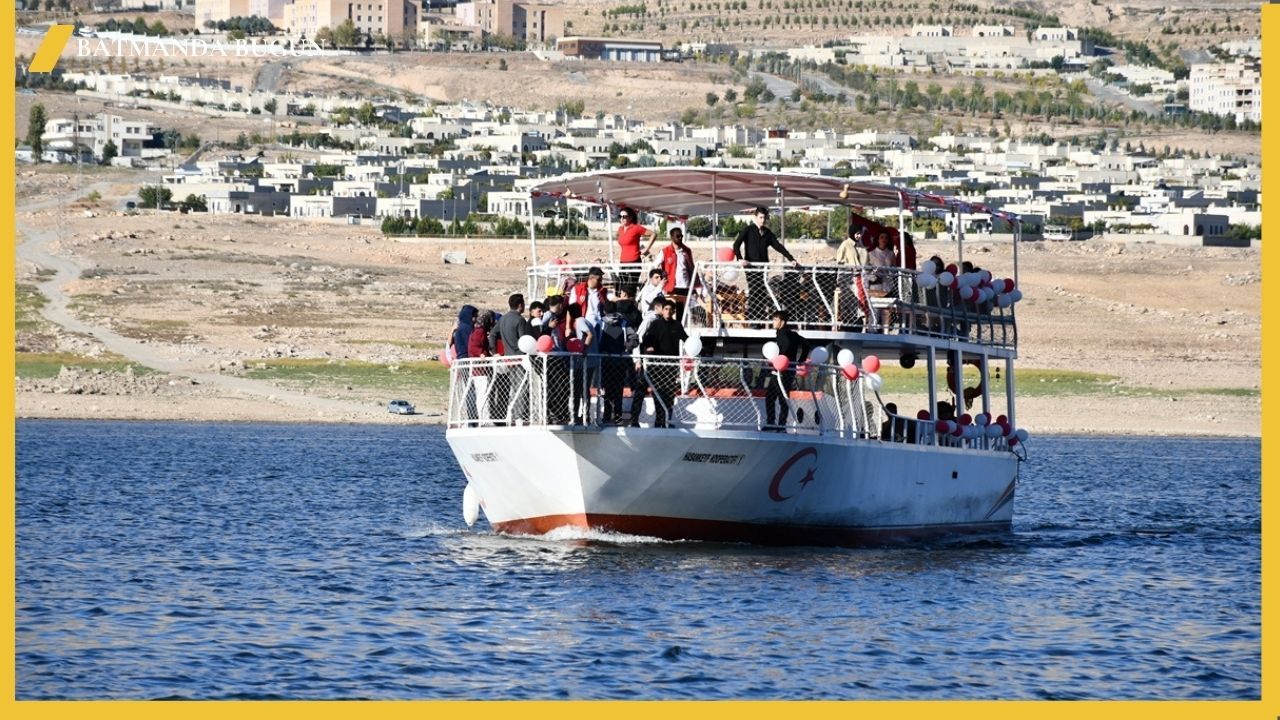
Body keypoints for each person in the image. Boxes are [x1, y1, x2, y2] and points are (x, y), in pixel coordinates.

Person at [733, 207, 799, 323]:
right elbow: (736, 244)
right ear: (755, 217)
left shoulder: (767, 233)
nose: (763, 220)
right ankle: (753, 320)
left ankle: (760, 318)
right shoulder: (748, 230)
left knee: (762, 291)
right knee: (754, 290)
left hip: (763, 268)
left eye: (765, 218)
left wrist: (791, 259)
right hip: (751, 267)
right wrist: (740, 259)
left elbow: (778, 246)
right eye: (761, 217)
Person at [640, 299, 688, 429]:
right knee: (657, 392)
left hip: (671, 365)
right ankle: (659, 419)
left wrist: (696, 347)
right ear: (662, 310)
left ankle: (668, 419)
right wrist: (649, 347)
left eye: (670, 309)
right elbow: (647, 339)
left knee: (669, 393)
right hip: (657, 364)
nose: (668, 311)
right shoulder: (655, 324)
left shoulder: (677, 325)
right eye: (666, 309)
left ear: (673, 311)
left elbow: (686, 339)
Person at [490, 294, 534, 423]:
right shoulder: (519, 320)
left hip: (508, 359)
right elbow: (523, 340)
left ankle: (513, 414)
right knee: (522, 387)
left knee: (514, 387)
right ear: (520, 305)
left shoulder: (503, 319)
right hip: (520, 358)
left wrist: (494, 351)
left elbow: (492, 333)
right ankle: (519, 415)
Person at [766, 310, 807, 430]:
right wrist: (801, 359)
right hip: (788, 370)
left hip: (781, 371)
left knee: (777, 398)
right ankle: (777, 424)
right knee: (777, 397)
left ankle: (775, 424)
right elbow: (806, 344)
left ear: (782, 322)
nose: (773, 322)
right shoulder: (792, 334)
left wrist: (781, 357)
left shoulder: (783, 333)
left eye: (775, 320)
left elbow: (786, 345)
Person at [598, 301, 630, 424]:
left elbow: (597, 341)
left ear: (604, 311)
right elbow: (633, 339)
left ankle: (607, 416)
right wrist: (627, 348)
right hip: (620, 362)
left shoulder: (600, 323)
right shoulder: (624, 323)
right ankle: (618, 416)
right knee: (618, 391)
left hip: (606, 363)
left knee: (608, 391)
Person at [616, 207, 657, 294]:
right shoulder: (620, 229)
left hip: (634, 261)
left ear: (630, 217)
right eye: (620, 216)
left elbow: (653, 234)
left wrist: (646, 249)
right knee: (622, 287)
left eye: (624, 216)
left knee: (630, 288)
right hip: (623, 261)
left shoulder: (636, 228)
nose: (622, 219)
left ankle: (631, 304)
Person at [660, 226, 696, 319]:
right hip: (671, 285)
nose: (680, 238)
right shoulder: (665, 251)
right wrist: (661, 278)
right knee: (669, 307)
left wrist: (695, 283)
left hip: (684, 284)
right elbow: (656, 265)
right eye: (678, 236)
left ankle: (680, 327)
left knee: (681, 309)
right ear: (672, 237)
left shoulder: (686, 251)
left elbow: (691, 267)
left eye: (681, 236)